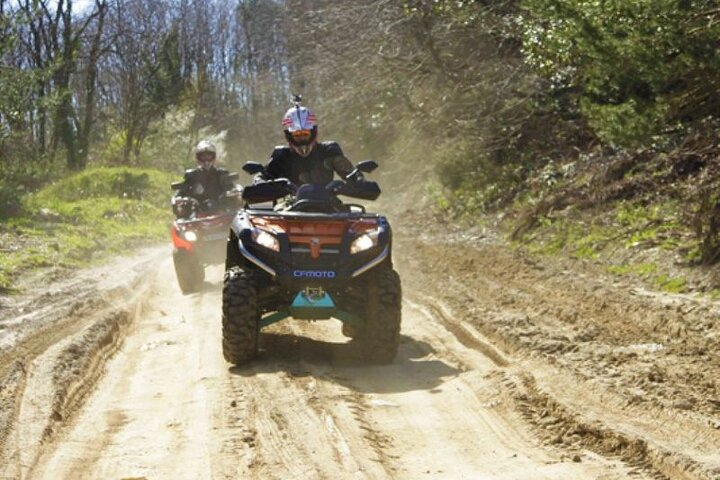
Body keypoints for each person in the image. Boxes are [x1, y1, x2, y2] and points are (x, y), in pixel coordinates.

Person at [257, 101, 357, 186]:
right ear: (289, 136)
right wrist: (260, 183)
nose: (302, 137)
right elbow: (263, 177)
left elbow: (351, 175)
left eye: (305, 133)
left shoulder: (329, 150)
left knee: (347, 209)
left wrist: (358, 180)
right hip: (290, 204)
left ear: (313, 132)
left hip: (328, 202)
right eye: (297, 134)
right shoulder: (281, 155)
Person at [173, 140, 235, 218]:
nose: (206, 160)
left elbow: (232, 189)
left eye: (209, 156)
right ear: (198, 158)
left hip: (221, 211)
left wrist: (234, 192)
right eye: (203, 157)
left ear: (214, 157)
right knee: (182, 221)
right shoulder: (191, 175)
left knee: (235, 214)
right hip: (196, 213)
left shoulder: (222, 174)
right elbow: (181, 191)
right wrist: (179, 198)